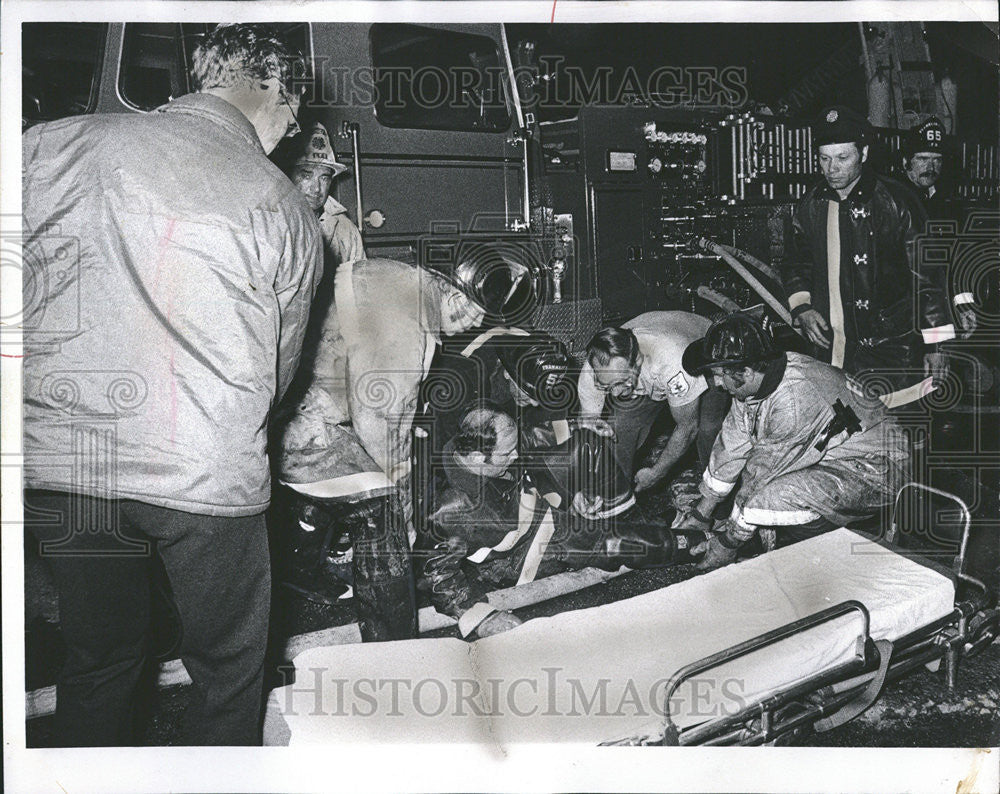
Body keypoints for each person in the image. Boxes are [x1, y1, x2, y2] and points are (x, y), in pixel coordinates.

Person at [21, 24, 322, 745]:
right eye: (293, 115)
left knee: (100, 659)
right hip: (204, 477)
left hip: (69, 466)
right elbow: (281, 373)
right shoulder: (279, 203)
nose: (291, 133)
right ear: (275, 90)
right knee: (226, 672)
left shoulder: (48, 146)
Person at [275, 254, 493, 640]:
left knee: (354, 475)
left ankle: (294, 567)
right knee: (382, 508)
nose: (477, 322)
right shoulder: (407, 327)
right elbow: (378, 418)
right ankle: (392, 645)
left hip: (290, 403)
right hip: (302, 422)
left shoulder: (404, 279)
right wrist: (401, 494)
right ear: (450, 285)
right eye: (475, 309)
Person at [416, 403, 707, 638]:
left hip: (536, 504)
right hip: (527, 551)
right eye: (507, 453)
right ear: (478, 458)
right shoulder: (450, 509)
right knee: (613, 543)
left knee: (586, 446)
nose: (516, 455)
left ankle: (645, 524)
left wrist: (576, 425)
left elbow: (527, 438)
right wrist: (481, 620)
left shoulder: (475, 448)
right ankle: (696, 543)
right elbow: (438, 577)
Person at [677, 313, 909, 571]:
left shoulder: (795, 400)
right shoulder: (755, 384)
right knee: (761, 496)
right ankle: (778, 543)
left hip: (880, 468)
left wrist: (728, 543)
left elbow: (761, 475)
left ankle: (822, 560)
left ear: (747, 370)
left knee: (774, 496)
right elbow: (731, 446)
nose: (716, 383)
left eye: (719, 374)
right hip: (836, 458)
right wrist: (701, 514)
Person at [784, 104, 955, 409]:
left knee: (900, 436)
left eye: (842, 158)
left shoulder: (897, 200)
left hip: (894, 348)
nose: (831, 169)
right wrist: (803, 309)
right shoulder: (810, 204)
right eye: (824, 159)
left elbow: (928, 273)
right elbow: (796, 262)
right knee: (844, 434)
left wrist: (938, 343)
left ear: (863, 154)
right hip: (833, 347)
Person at [577, 311, 729, 493]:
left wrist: (657, 472)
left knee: (708, 429)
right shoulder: (593, 372)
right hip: (649, 374)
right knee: (618, 428)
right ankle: (616, 497)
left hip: (702, 350)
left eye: (620, 382)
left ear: (637, 361)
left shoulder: (672, 361)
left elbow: (687, 428)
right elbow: (588, 430)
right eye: (607, 386)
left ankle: (713, 503)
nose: (616, 393)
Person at [901, 116, 977, 339]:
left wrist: (964, 305)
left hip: (937, 315)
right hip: (903, 321)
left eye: (937, 160)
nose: (930, 167)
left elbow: (956, 261)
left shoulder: (946, 205)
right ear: (906, 161)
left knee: (941, 369)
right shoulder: (893, 201)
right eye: (923, 158)